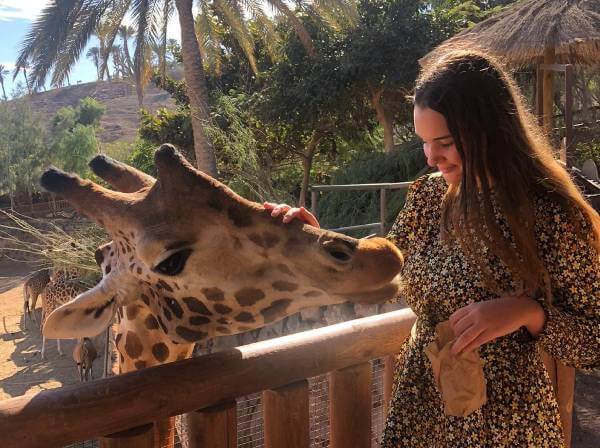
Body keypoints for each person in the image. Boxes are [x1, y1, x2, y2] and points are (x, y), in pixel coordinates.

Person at [265, 48, 600, 447]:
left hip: (505, 424)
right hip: (420, 409)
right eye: (424, 142)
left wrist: (528, 312)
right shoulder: (428, 198)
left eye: (444, 142)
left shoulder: (551, 215)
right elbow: (385, 268)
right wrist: (317, 240)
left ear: (491, 131)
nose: (430, 157)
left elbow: (594, 343)